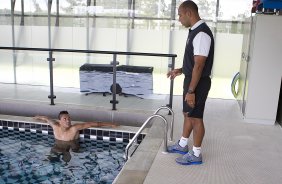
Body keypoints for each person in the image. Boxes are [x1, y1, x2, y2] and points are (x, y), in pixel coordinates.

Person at [167, 0, 214, 165]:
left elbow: (200, 65)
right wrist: (180, 70)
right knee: (187, 114)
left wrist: (191, 91)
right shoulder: (194, 31)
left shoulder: (201, 33)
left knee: (196, 118)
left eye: (180, 15)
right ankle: (182, 145)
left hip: (198, 84)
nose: (179, 18)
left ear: (189, 13)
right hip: (192, 81)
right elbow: (194, 62)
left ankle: (196, 154)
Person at [34, 111, 118, 141]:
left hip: (72, 147)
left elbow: (92, 124)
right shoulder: (55, 126)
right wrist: (37, 117)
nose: (68, 121)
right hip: (58, 146)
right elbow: (46, 118)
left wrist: (111, 124)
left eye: (69, 118)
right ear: (59, 121)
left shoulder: (74, 129)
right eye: (65, 119)